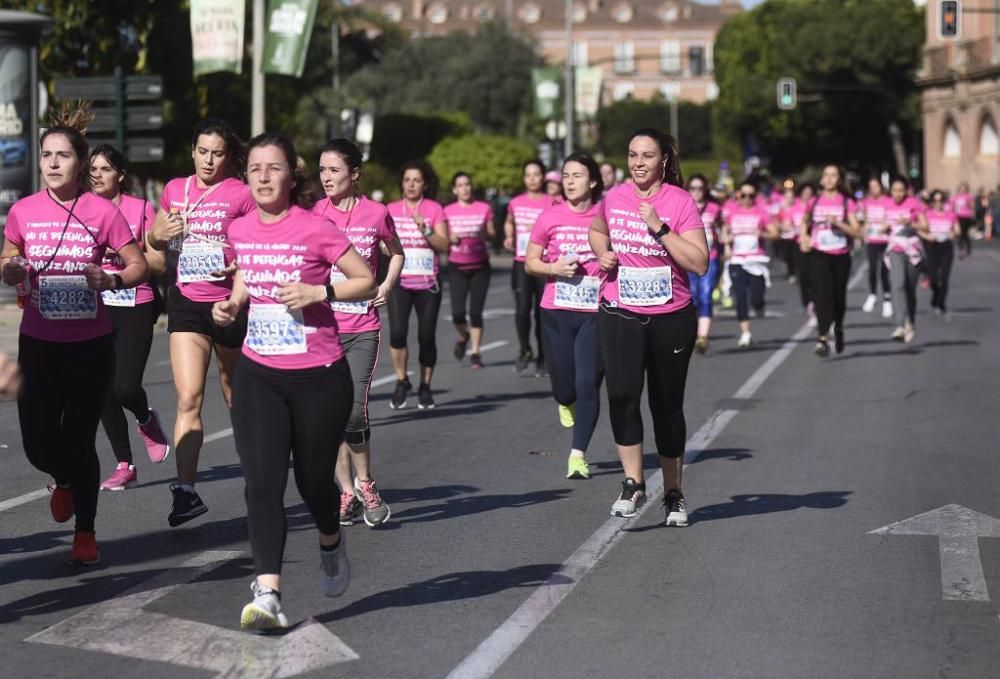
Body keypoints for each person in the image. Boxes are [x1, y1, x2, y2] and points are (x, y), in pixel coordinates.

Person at [212, 132, 376, 631]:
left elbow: (364, 278)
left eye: (273, 168)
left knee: (312, 483)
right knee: (262, 483)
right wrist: (235, 302)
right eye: (255, 168)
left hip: (319, 376)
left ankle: (331, 538)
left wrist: (317, 290)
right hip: (260, 373)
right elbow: (247, 274)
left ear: (291, 175)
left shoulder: (316, 228)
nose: (263, 177)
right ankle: (269, 593)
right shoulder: (238, 229)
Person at [1, 108, 148, 564]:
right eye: (47, 155)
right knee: (37, 443)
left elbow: (138, 264)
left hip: (89, 344)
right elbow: (8, 258)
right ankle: (64, 480)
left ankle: (85, 532)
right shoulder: (24, 210)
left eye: (62, 155)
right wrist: (12, 269)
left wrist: (111, 280)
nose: (52, 163)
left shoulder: (102, 212)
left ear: (80, 163)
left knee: (80, 437)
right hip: (39, 343)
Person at [589, 128, 708, 527]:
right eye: (632, 154)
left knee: (666, 406)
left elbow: (699, 262)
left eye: (647, 156)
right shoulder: (615, 196)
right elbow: (597, 230)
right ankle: (632, 482)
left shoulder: (680, 202)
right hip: (620, 309)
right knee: (622, 394)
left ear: (664, 161)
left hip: (671, 316)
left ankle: (673, 493)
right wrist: (602, 253)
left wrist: (659, 227)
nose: (638, 162)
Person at [146, 119, 254, 527]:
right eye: (203, 151)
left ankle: (258, 476)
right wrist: (160, 232)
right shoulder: (175, 190)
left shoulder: (241, 194)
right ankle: (186, 491)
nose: (210, 160)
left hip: (229, 304)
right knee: (188, 397)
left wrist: (238, 263)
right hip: (187, 303)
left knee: (235, 396)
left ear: (228, 157)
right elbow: (155, 242)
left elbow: (255, 241)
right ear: (192, 151)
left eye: (218, 153)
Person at [315, 138, 404, 528]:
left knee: (352, 410)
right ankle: (346, 491)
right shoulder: (314, 213)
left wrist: (386, 285)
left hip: (362, 325)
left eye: (334, 170)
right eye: (321, 170)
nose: (326, 177)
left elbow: (396, 251)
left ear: (354, 173)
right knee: (329, 414)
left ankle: (366, 483)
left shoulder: (376, 213)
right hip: (323, 325)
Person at [88, 144, 172, 491]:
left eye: (105, 169)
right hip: (95, 305)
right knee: (101, 390)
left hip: (136, 302)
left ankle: (145, 418)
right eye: (92, 169)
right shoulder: (83, 209)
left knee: (124, 386)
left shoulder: (140, 209)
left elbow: (159, 264)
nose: (97, 175)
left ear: (120, 176)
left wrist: (125, 254)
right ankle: (124, 464)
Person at [525, 154, 604, 480]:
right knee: (564, 390)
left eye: (578, 175)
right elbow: (531, 261)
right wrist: (553, 268)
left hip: (595, 311)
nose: (570, 181)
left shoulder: (606, 216)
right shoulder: (549, 217)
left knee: (588, 383)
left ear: (594, 181)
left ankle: (577, 454)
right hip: (556, 309)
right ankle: (565, 400)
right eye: (566, 176)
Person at [386, 160, 449, 410]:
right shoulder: (390, 209)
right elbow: (382, 243)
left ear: (424, 185)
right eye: (407, 180)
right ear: (402, 183)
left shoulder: (434, 209)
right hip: (399, 282)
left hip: (427, 284)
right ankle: (402, 381)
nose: (411, 184)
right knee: (398, 333)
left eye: (417, 180)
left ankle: (425, 386)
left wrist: (426, 230)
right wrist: (384, 248)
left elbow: (444, 246)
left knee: (426, 336)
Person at [800, 164, 862, 356]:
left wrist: (838, 223)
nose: (829, 179)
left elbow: (857, 232)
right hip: (819, 254)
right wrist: (804, 237)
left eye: (833, 176)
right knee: (821, 295)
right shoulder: (814, 201)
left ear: (839, 180)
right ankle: (822, 338)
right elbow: (805, 221)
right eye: (826, 175)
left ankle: (839, 328)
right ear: (821, 179)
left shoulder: (846, 202)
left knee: (837, 297)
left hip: (841, 255)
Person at [504, 160, 553, 374]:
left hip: (543, 263)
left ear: (543, 177)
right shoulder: (515, 202)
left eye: (536, 174)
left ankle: (543, 355)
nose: (532, 178)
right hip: (521, 262)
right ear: (524, 178)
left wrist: (539, 228)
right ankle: (524, 349)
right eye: (528, 175)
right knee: (522, 310)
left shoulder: (552, 202)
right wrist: (508, 236)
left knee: (543, 312)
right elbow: (509, 221)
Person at [444, 172, 493, 367]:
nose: (464, 188)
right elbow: (442, 236)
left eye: (467, 184)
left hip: (480, 265)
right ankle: (464, 336)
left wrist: (486, 234)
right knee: (457, 313)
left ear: (471, 187)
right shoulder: (447, 211)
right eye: (460, 185)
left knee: (475, 312)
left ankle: (475, 353)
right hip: (457, 266)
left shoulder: (484, 208)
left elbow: (492, 234)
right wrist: (450, 238)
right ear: (455, 189)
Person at [722, 180, 778, 348]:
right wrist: (727, 243)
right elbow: (725, 231)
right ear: (738, 195)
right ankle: (745, 333)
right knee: (740, 297)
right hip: (737, 260)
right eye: (743, 195)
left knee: (757, 298)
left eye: (750, 195)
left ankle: (759, 306)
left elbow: (775, 233)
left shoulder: (762, 213)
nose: (746, 198)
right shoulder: (732, 212)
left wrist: (762, 234)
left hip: (756, 261)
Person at [884, 177, 927, 343]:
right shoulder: (886, 204)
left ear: (906, 191)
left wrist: (911, 223)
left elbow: (925, 226)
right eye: (895, 190)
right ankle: (900, 325)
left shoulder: (914, 203)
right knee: (898, 284)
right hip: (895, 249)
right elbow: (878, 223)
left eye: (901, 190)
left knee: (909, 289)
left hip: (912, 251)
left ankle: (911, 322)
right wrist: (882, 227)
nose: (898, 194)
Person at [685, 173, 722, 353]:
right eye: (693, 188)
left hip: (710, 257)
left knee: (706, 295)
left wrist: (726, 244)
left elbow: (722, 229)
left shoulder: (715, 208)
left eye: (700, 188)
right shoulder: (683, 207)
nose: (696, 192)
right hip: (687, 258)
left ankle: (702, 337)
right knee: (691, 296)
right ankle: (691, 333)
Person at [860, 177, 893, 318]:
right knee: (872, 269)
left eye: (876, 186)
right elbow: (865, 220)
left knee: (884, 271)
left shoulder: (888, 201)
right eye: (871, 186)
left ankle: (887, 300)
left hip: (886, 240)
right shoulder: (866, 202)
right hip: (872, 240)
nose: (874, 189)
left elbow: (892, 217)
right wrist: (864, 230)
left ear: (881, 187)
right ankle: (872, 294)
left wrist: (886, 226)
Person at [923, 189, 959, 315]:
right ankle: (936, 294)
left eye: (941, 201)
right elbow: (920, 229)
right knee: (933, 277)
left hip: (946, 247)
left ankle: (941, 302)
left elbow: (957, 230)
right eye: (935, 201)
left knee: (944, 277)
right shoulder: (927, 214)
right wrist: (927, 236)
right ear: (932, 202)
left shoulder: (951, 214)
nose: (938, 203)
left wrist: (953, 233)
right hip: (932, 247)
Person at [952, 182, 974, 258]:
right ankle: (961, 249)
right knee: (960, 234)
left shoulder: (969, 196)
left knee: (964, 234)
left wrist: (968, 204)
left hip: (966, 216)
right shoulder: (955, 197)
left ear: (966, 189)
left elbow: (972, 206)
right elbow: (953, 206)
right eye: (961, 188)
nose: (962, 190)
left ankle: (967, 249)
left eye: (964, 188)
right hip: (958, 216)